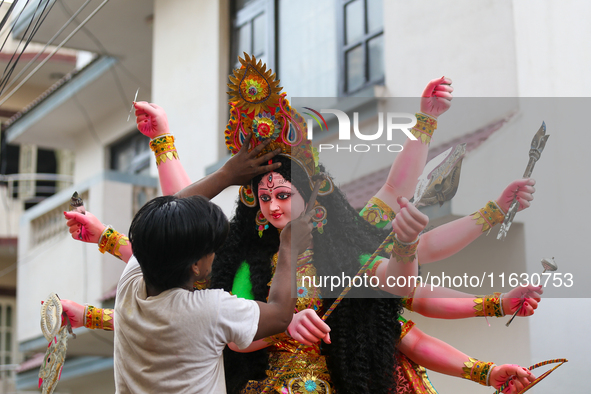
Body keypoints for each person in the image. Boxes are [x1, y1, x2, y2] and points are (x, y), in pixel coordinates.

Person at [63, 55, 538, 393]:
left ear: (312, 198)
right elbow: (169, 245)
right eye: (263, 197)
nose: (272, 207)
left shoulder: (343, 246)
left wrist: (426, 124)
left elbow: (404, 313)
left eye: (284, 195)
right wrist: (161, 145)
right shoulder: (229, 265)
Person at [110, 194, 314, 393]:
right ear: (196, 266)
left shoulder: (130, 283)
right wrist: (288, 247)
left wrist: (229, 173)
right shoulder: (209, 310)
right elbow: (280, 315)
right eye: (213, 249)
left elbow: (164, 220)